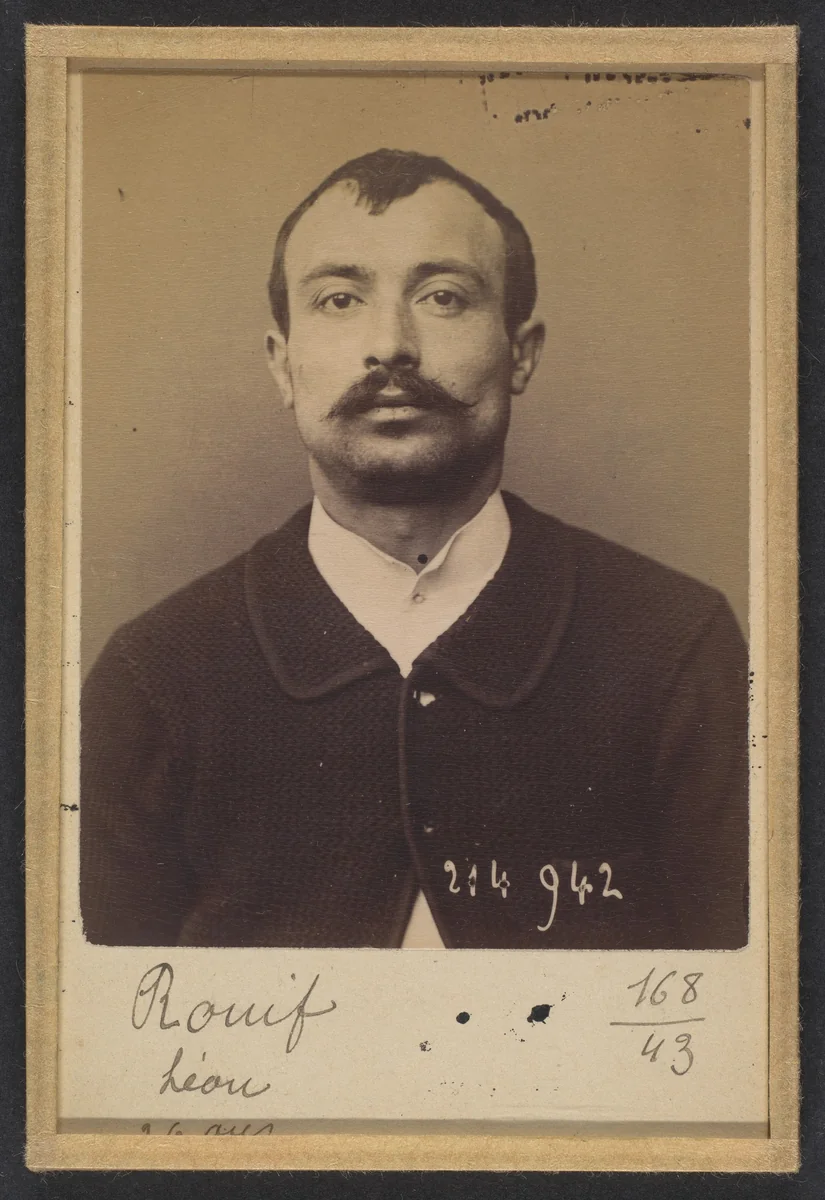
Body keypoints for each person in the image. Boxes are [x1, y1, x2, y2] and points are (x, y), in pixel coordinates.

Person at [80, 148, 748, 950]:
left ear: (521, 353)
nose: (390, 345)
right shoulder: (154, 673)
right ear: (282, 363)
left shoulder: (674, 643)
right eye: (338, 299)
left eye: (442, 297)